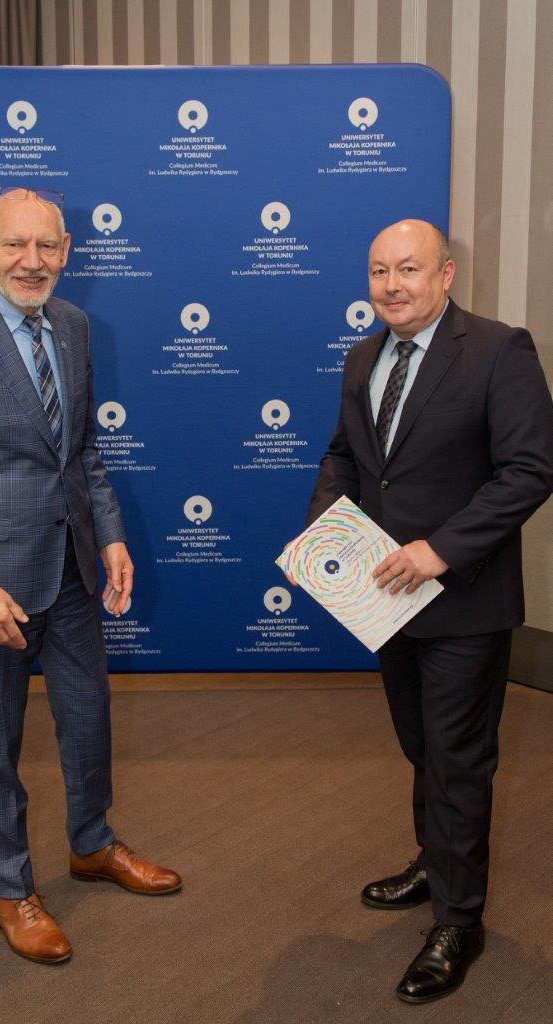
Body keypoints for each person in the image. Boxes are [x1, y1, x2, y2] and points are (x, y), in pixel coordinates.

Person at [0, 186, 182, 965]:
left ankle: (92, 845)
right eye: (15, 244)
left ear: (66, 251)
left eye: (46, 246)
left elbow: (81, 450)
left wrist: (110, 536)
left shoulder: (76, 327)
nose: (32, 261)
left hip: (73, 570)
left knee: (88, 723)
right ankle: (9, 890)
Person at [300, 219, 553, 1003]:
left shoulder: (499, 350)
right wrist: (324, 535)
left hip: (465, 600)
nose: (392, 285)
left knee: (458, 759)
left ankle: (458, 920)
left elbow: (529, 469)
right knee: (421, 745)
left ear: (445, 275)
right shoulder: (363, 357)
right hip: (386, 601)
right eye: (379, 271)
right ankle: (434, 861)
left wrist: (440, 550)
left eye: (408, 269)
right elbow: (346, 455)